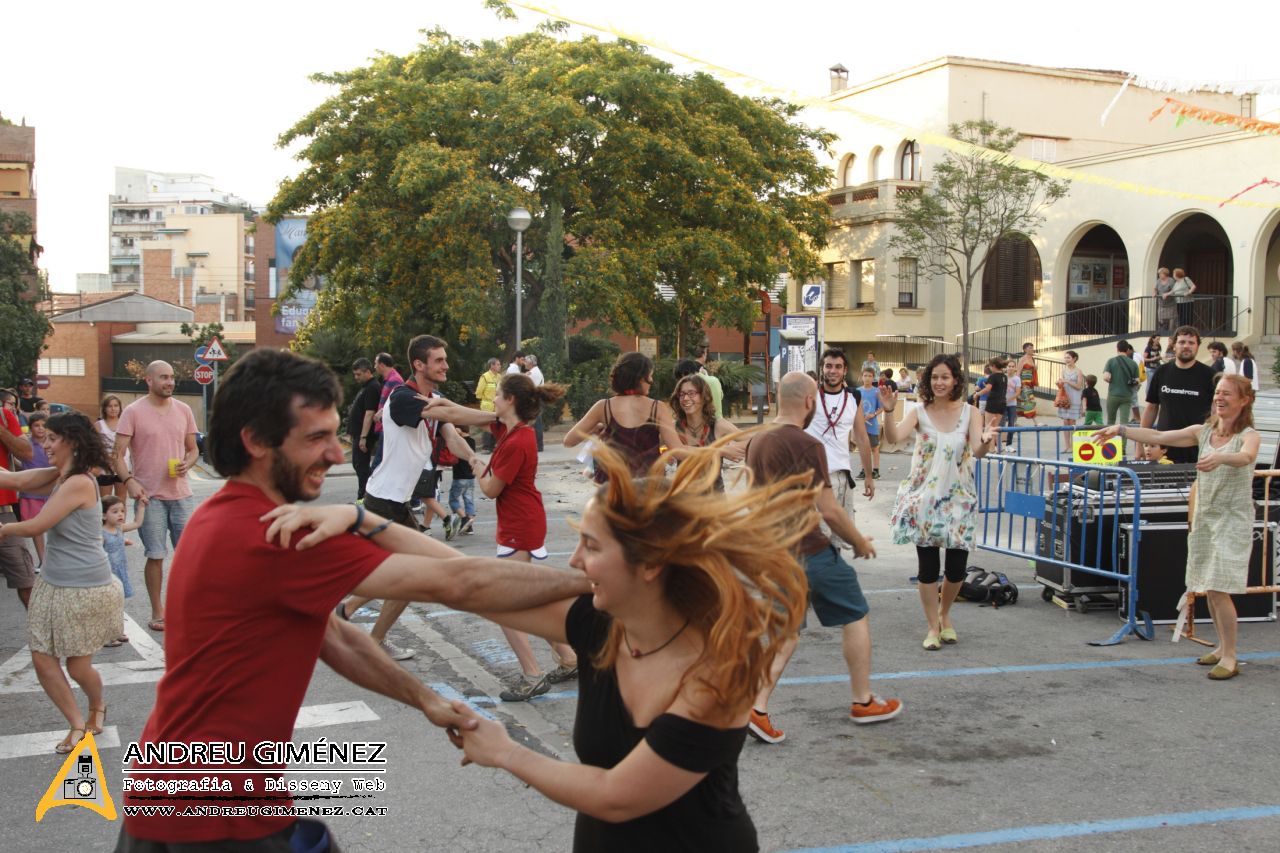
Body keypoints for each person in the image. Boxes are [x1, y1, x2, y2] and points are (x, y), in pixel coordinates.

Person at [115, 348, 590, 851]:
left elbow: (335, 634)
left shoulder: (224, 515)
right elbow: (460, 584)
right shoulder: (276, 534)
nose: (338, 454)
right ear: (255, 441)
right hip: (212, 816)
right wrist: (595, 580)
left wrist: (426, 700)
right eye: (316, 438)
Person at [397, 442, 801, 852]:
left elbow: (617, 796)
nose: (573, 560)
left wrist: (505, 752)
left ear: (649, 563)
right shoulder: (602, 626)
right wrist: (370, 529)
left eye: (590, 546)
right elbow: (467, 585)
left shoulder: (716, 672)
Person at [744, 372, 901, 744]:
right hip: (810, 551)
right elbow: (829, 510)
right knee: (855, 614)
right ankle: (862, 701)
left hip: (774, 552)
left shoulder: (757, 441)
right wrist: (859, 541)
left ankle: (757, 707)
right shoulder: (806, 444)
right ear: (810, 402)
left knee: (786, 634)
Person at [426, 374, 580, 701]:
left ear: (510, 400)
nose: (492, 399)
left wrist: (477, 463)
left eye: (497, 394)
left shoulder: (517, 440)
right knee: (530, 599)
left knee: (502, 603)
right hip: (522, 522)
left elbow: (491, 489)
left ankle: (532, 674)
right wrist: (435, 405)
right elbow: (462, 415)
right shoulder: (507, 427)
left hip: (520, 526)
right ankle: (568, 659)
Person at [1094, 375, 1258, 680]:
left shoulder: (1248, 434)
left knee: (1219, 588)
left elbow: (1246, 456)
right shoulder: (1202, 431)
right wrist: (1121, 429)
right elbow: (1160, 437)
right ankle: (1222, 648)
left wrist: (1221, 457)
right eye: (1217, 393)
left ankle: (1232, 656)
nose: (1219, 398)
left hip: (1232, 519)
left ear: (1244, 400)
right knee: (1210, 586)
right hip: (1206, 517)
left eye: (1227, 394)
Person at [339, 335, 479, 661]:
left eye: (445, 359)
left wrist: (473, 459)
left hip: (395, 500)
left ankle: (345, 613)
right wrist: (499, 417)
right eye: (439, 360)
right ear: (419, 364)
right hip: (383, 498)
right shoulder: (404, 398)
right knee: (411, 575)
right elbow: (455, 416)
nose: (446, 365)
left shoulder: (435, 398)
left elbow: (452, 435)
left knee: (397, 573)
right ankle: (360, 628)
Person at [0, 413, 123, 754]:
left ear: (72, 440)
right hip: (53, 583)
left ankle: (97, 705)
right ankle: (77, 724)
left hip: (85, 588)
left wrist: (4, 530)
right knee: (42, 657)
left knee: (77, 665)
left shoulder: (79, 482)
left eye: (52, 438)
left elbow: (36, 525)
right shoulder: (60, 475)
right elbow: (14, 480)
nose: (44, 443)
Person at [883, 354, 997, 650]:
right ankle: (933, 626)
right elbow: (894, 438)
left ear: (956, 380)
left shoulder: (970, 412)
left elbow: (979, 450)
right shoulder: (919, 411)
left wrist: (987, 439)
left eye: (945, 377)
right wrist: (887, 412)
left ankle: (945, 614)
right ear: (927, 381)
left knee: (957, 569)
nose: (939, 382)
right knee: (928, 569)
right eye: (934, 377)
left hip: (959, 499)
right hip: (924, 500)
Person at [112, 361, 198, 633]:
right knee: (156, 555)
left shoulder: (184, 410)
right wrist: (130, 481)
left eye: (172, 377)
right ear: (149, 380)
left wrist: (189, 463)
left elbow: (193, 449)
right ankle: (158, 612)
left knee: (188, 557)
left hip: (182, 495)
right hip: (150, 497)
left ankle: (187, 609)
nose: (170, 382)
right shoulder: (133, 412)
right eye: (164, 377)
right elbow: (117, 455)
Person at [565, 352, 682, 481]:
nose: (652, 381)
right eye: (650, 376)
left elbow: (569, 441)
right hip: (648, 486)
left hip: (612, 486)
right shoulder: (657, 408)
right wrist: (705, 452)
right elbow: (677, 450)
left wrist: (594, 429)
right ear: (641, 378)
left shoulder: (603, 406)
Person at [806, 348, 875, 547]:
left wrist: (869, 476)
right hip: (814, 477)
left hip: (842, 478)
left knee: (837, 540)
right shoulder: (810, 396)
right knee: (816, 539)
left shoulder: (854, 397)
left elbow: (862, 437)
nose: (833, 371)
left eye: (838, 367)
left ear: (845, 370)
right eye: (828, 366)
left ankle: (829, 577)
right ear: (822, 369)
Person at [1141, 326, 1216, 463]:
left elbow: (1217, 414)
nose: (1186, 346)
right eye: (1182, 342)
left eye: (1191, 343)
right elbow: (1151, 408)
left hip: (1198, 450)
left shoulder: (1209, 375)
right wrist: (1140, 445)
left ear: (1198, 346)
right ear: (1174, 345)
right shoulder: (1161, 372)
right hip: (1164, 451)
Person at [669, 373, 743, 490]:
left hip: (715, 500)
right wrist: (720, 451)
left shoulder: (718, 425)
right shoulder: (673, 428)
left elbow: (750, 440)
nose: (686, 398)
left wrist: (734, 449)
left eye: (691, 393)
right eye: (682, 394)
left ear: (703, 397)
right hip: (684, 499)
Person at [0, 388, 36, 607]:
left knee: (25, 579)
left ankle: (41, 636)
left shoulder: (5, 416)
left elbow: (27, 452)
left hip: (4, 512)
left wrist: (2, 430)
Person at [101, 495, 144, 646]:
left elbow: (138, 523)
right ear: (103, 515)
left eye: (122, 511)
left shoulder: (119, 529)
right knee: (107, 605)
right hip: (107, 575)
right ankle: (106, 635)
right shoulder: (101, 534)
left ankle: (117, 631)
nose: (120, 514)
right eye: (115, 511)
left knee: (118, 603)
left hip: (120, 572)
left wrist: (142, 507)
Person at [19, 411, 51, 567]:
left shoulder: (52, 444)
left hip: (50, 492)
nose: (40, 429)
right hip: (31, 493)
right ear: (30, 428)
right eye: (36, 425)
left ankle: (53, 558)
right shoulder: (26, 444)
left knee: (53, 526)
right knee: (36, 529)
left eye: (43, 425)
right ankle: (43, 559)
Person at [348, 358, 382, 501]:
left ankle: (364, 497)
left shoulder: (373, 387)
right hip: (359, 434)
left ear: (368, 371)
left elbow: (369, 413)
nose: (356, 377)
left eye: (358, 374)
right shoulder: (366, 387)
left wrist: (363, 437)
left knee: (361, 466)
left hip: (365, 436)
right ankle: (367, 495)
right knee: (358, 465)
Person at [369, 352, 404, 470]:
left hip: (388, 428)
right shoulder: (390, 379)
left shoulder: (395, 380)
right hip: (384, 427)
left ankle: (369, 488)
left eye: (375, 363)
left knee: (377, 465)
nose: (374, 367)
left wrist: (382, 411)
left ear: (382, 365)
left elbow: (398, 402)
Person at [447, 424, 477, 538]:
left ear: (459, 429)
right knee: (469, 501)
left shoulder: (459, 442)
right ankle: (469, 527)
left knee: (453, 500)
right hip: (470, 478)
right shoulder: (472, 441)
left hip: (459, 477)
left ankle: (464, 519)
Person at [96, 395, 128, 500]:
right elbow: (94, 447)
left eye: (116, 406)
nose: (113, 409)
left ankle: (121, 517)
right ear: (104, 408)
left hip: (123, 465)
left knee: (121, 498)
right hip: (105, 467)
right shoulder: (99, 425)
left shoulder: (126, 424)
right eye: (110, 406)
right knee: (105, 499)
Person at [1102, 341, 1139, 426]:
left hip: (1113, 395)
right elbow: (1137, 381)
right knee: (1124, 423)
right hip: (1127, 396)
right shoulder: (1133, 363)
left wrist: (1113, 381)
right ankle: (1123, 439)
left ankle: (1110, 439)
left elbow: (1105, 377)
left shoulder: (1111, 361)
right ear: (1127, 350)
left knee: (1111, 421)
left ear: (1117, 349)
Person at [858, 368, 885, 480]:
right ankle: (864, 470)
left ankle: (876, 471)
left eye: (869, 376)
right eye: (865, 375)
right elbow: (853, 407)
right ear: (861, 377)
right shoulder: (858, 391)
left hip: (872, 424)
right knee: (863, 448)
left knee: (874, 448)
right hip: (860, 424)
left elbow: (882, 407)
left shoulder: (876, 391)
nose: (867, 378)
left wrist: (873, 414)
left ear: (873, 378)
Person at [475, 357, 503, 451]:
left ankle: (493, 446)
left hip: (497, 405)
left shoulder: (499, 377)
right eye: (498, 364)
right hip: (487, 405)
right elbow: (479, 392)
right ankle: (486, 447)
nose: (500, 366)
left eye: (499, 364)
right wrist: (484, 400)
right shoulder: (485, 376)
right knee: (488, 425)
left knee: (496, 425)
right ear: (492, 366)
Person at [1056, 351, 1085, 430]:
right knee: (1065, 421)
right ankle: (1067, 443)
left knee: (1072, 421)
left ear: (1074, 359)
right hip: (1065, 398)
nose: (1066, 360)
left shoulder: (1078, 371)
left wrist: (1067, 381)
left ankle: (1073, 442)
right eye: (1065, 358)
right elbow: (1061, 386)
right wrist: (1058, 383)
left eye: (1068, 358)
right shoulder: (1063, 371)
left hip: (1074, 398)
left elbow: (1079, 386)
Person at [694, 344, 725, 419]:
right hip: (709, 413)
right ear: (703, 354)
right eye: (706, 353)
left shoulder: (691, 367)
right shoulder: (702, 370)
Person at [525, 353, 547, 451]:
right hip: (538, 399)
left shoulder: (533, 373)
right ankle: (538, 444)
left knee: (536, 422)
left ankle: (538, 445)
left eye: (526, 361)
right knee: (536, 422)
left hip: (535, 399)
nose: (525, 363)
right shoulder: (536, 371)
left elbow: (527, 387)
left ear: (530, 363)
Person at [1016, 342, 1038, 423]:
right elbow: (1018, 372)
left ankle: (1014, 423)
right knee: (1029, 401)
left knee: (1022, 403)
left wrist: (1035, 368)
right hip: (1023, 384)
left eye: (1032, 347)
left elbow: (1032, 371)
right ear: (1025, 349)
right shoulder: (1023, 359)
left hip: (1029, 384)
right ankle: (1036, 422)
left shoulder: (1032, 359)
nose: (1032, 349)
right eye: (1029, 348)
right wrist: (1018, 385)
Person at [1142, 336, 1164, 402]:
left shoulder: (1159, 347)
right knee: (1150, 384)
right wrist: (1152, 359)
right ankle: (1149, 400)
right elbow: (1144, 359)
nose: (1158, 340)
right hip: (1150, 369)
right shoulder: (1148, 348)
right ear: (1153, 339)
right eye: (1157, 339)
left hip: (1157, 368)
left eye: (1159, 339)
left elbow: (1158, 355)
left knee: (1158, 383)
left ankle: (1155, 399)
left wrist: (1159, 357)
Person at [1155, 268, 1177, 333]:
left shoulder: (1171, 280)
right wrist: (1154, 292)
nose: (1159, 275)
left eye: (1160, 274)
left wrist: (1167, 294)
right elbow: (1155, 288)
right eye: (1158, 274)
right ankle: (1162, 332)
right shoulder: (1158, 281)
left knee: (1171, 320)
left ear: (1165, 274)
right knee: (1161, 319)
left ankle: (1170, 333)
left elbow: (1174, 290)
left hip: (1170, 304)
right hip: (1161, 304)